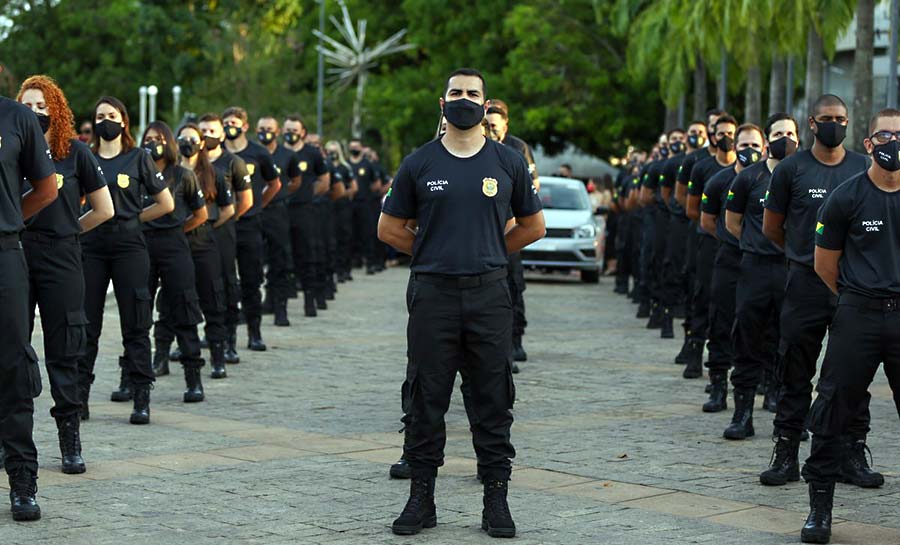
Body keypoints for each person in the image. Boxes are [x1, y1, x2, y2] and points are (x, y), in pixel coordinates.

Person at [378, 68, 545, 538]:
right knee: (426, 399)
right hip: (433, 295)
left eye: (473, 94)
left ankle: (496, 501)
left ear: (486, 104)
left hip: (490, 293)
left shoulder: (507, 162)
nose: (464, 99)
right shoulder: (419, 162)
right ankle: (421, 500)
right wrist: (434, 250)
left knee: (493, 399)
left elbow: (534, 226)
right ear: (442, 102)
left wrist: (491, 248)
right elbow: (388, 228)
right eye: (456, 93)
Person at [763, 94, 881, 490]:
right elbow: (772, 228)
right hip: (804, 285)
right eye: (827, 118)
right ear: (811, 124)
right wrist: (805, 258)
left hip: (853, 290)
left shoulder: (862, 167)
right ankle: (785, 452)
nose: (835, 124)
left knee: (853, 376)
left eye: (842, 119)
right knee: (795, 369)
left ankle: (852, 453)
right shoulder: (791, 170)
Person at [797, 108, 900, 544]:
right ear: (869, 143)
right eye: (885, 135)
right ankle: (820, 508)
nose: (893, 143)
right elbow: (825, 265)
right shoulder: (845, 196)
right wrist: (859, 297)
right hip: (857, 313)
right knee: (833, 406)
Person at [17, 75, 113, 474]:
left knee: (65, 347)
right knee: (11, 347)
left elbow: (104, 209)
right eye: (28, 106)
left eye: (43, 107)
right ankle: (11, 439)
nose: (36, 113)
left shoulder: (75, 153)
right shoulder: (10, 152)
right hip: (17, 255)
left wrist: (71, 231)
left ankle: (69, 438)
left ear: (56, 111)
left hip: (62, 256)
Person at [78, 96, 173, 425]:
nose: (106, 120)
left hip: (130, 247)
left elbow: (166, 203)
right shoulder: (85, 157)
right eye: (100, 115)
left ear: (124, 121)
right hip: (91, 248)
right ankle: (80, 397)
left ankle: (141, 395)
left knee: (136, 323)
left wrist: (134, 218)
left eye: (112, 115)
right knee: (87, 325)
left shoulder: (138, 158)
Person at [0, 91, 59, 521]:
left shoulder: (17, 117)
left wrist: (9, 218)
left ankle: (22, 478)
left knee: (13, 367)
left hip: (4, 254)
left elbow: (46, 188)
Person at [724, 114, 798, 444]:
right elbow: (732, 223)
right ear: (768, 139)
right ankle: (743, 413)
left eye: (790, 133)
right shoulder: (749, 178)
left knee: (790, 341)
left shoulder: (804, 176)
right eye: (779, 134)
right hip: (754, 268)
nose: (785, 139)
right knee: (747, 339)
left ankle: (786, 412)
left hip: (790, 268)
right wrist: (758, 244)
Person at [700, 123, 766, 437]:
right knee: (722, 321)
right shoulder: (719, 180)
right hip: (729, 257)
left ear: (763, 146)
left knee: (766, 326)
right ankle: (717, 386)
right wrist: (735, 240)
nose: (749, 148)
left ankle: (773, 387)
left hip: (764, 261)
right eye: (744, 143)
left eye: (755, 143)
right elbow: (707, 220)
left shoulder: (775, 179)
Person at [140, 121, 208, 402]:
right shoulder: (135, 172)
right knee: (139, 310)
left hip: (174, 245)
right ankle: (134, 378)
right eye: (148, 138)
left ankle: (194, 378)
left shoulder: (183, 175)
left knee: (183, 307)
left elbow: (201, 214)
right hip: (141, 246)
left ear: (168, 142)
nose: (152, 143)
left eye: (158, 138)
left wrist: (177, 231)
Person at [176, 122, 234, 379]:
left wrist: (207, 226)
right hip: (175, 243)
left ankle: (218, 356)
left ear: (201, 143)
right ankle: (165, 353)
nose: (187, 143)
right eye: (182, 138)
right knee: (173, 300)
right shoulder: (170, 173)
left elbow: (228, 209)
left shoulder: (214, 173)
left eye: (192, 138)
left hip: (204, 241)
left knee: (212, 299)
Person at [685, 114, 736, 401]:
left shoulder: (752, 173)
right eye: (722, 132)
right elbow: (693, 209)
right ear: (713, 136)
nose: (727, 137)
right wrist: (723, 234)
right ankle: (696, 352)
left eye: (732, 132)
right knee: (704, 298)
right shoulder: (704, 168)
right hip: (710, 243)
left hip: (744, 252)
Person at [223, 106, 281, 351]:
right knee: (223, 280)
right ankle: (225, 335)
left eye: (234, 123)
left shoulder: (258, 153)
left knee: (251, 279)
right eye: (225, 123)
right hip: (222, 224)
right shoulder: (216, 153)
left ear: (245, 126)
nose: (229, 127)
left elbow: (274, 184)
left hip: (249, 224)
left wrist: (257, 205)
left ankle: (254, 333)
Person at [486, 99, 539, 364]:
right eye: (487, 123)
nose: (491, 128)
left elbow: (533, 186)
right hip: (485, 227)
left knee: (514, 286)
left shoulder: (517, 148)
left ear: (505, 124)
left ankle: (515, 340)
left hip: (510, 226)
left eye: (495, 124)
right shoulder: (477, 145)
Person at [198, 113, 252, 364]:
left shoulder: (233, 163)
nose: (207, 135)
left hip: (221, 232)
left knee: (226, 284)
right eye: (203, 131)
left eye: (212, 131)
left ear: (221, 135)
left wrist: (223, 220)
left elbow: (245, 200)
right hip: (193, 235)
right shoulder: (189, 162)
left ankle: (229, 340)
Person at [282, 115, 329, 316]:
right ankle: (277, 302)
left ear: (302, 132)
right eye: (287, 130)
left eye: (294, 130)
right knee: (280, 256)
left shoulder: (312, 153)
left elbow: (324, 181)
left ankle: (310, 300)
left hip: (304, 210)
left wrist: (307, 194)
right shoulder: (276, 152)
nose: (290, 134)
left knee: (307, 254)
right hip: (280, 210)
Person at [257, 115, 300, 326]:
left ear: (278, 132)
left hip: (277, 212)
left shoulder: (288, 155)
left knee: (280, 259)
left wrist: (278, 197)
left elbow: (294, 182)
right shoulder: (253, 152)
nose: (265, 131)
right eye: (261, 128)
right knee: (254, 259)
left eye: (269, 128)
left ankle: (280, 307)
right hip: (255, 212)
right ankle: (260, 302)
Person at [645, 128, 687, 338]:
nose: (678, 142)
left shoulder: (695, 160)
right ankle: (660, 310)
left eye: (681, 139)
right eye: (674, 139)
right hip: (665, 218)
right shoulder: (664, 166)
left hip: (691, 223)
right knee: (661, 261)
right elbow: (657, 194)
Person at [325, 140, 357, 283]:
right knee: (332, 239)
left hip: (343, 206)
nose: (332, 154)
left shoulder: (345, 167)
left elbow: (354, 187)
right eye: (329, 151)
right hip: (329, 207)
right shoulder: (325, 166)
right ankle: (335, 269)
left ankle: (345, 269)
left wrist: (340, 193)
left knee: (345, 237)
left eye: (335, 151)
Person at [349, 138, 382, 274]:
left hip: (365, 203)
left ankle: (370, 262)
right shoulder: (347, 165)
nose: (354, 149)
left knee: (367, 233)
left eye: (356, 146)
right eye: (352, 147)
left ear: (361, 148)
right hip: (350, 204)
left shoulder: (367, 164)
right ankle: (355, 260)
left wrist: (368, 193)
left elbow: (377, 183)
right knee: (352, 233)